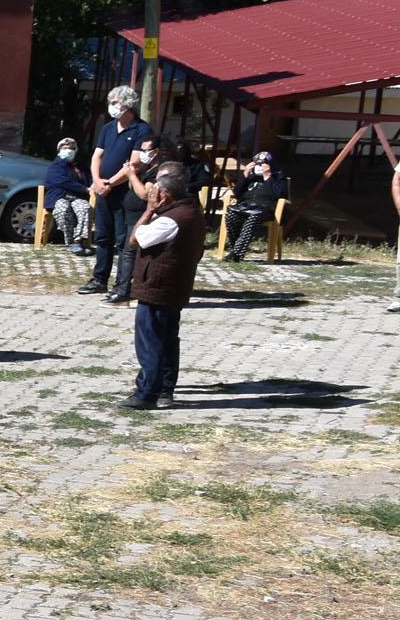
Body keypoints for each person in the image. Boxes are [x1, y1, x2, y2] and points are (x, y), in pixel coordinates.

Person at [124, 163, 205, 410]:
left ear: (165, 195)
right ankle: (165, 388)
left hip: (158, 288)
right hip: (174, 288)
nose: (151, 194)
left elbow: (135, 239)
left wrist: (148, 211)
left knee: (151, 342)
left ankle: (147, 391)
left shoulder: (170, 220)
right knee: (168, 340)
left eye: (155, 191)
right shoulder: (191, 210)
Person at [86, 85, 154, 300]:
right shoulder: (107, 128)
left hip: (124, 192)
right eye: (111, 102)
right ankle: (99, 279)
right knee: (103, 236)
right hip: (102, 190)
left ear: (128, 105)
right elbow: (97, 156)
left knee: (122, 239)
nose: (113, 107)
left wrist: (110, 183)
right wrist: (98, 181)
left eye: (116, 102)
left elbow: (134, 164)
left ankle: (122, 285)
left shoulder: (141, 130)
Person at [225, 152, 286, 261]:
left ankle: (235, 253)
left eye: (262, 164)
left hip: (264, 209)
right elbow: (237, 192)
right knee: (231, 215)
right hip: (246, 206)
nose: (259, 166)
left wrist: (267, 176)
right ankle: (236, 251)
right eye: (257, 164)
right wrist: (245, 174)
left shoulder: (277, 176)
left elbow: (281, 194)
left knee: (253, 217)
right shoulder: (251, 177)